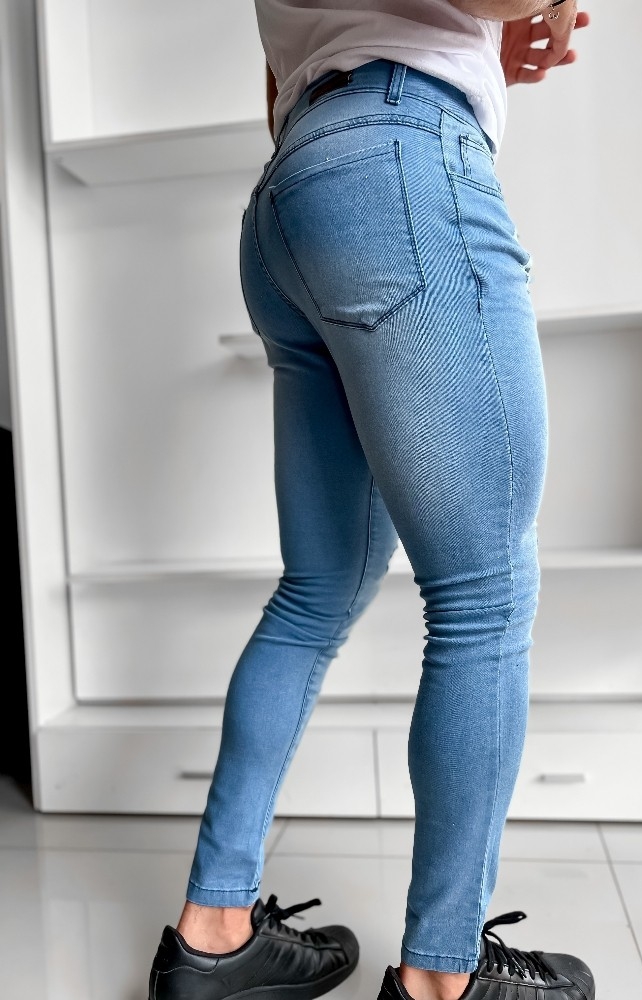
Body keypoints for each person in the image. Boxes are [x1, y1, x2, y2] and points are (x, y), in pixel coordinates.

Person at [147, 2, 595, 999]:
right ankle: (443, 978)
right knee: (484, 595)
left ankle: (213, 933)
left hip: (294, 189)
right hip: (398, 160)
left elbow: (282, 79)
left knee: (315, 591)